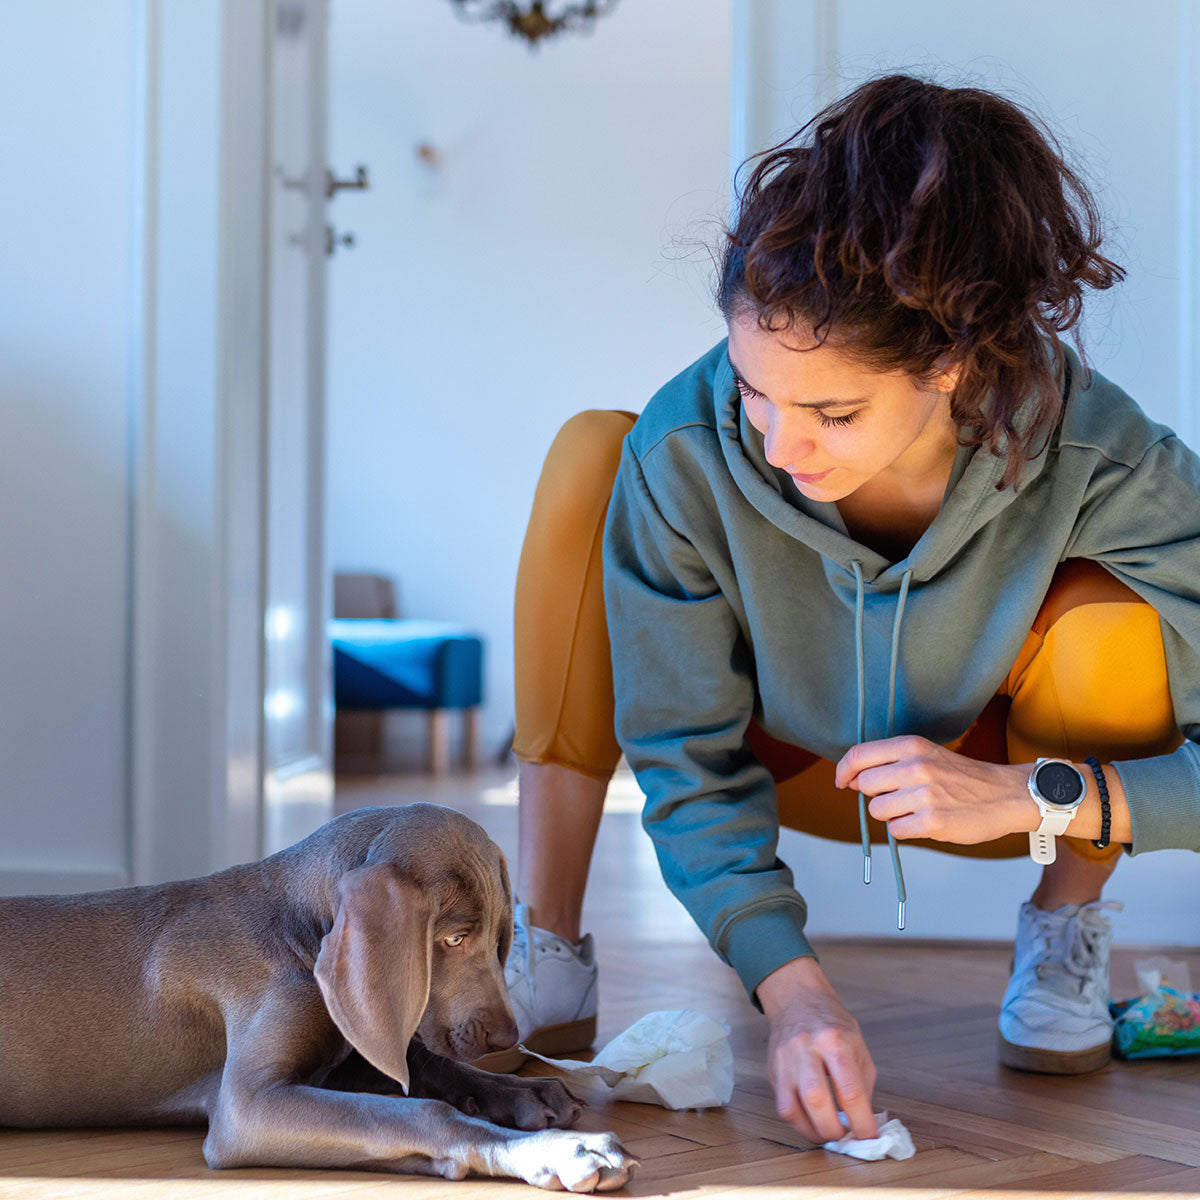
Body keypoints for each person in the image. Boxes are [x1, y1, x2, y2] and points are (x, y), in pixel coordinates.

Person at [495, 74, 1200, 1146]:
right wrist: (793, 990)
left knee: (1115, 615)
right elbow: (682, 762)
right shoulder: (686, 450)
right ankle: (546, 940)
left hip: (987, 785)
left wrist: (1035, 795)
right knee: (595, 455)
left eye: (831, 410)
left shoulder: (1105, 453)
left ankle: (1063, 935)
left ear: (954, 365)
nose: (778, 447)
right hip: (775, 751)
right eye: (754, 390)